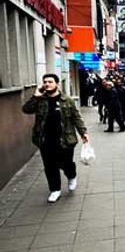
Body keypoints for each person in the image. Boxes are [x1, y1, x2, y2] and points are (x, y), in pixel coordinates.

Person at [22, 74, 89, 203]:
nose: (47, 84)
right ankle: (55, 190)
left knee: (66, 164)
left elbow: (76, 117)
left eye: (50, 82)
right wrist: (36, 95)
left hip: (65, 139)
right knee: (50, 166)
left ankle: (71, 175)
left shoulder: (67, 100)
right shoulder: (40, 100)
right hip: (45, 140)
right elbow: (26, 109)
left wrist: (83, 133)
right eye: (45, 82)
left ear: (57, 84)